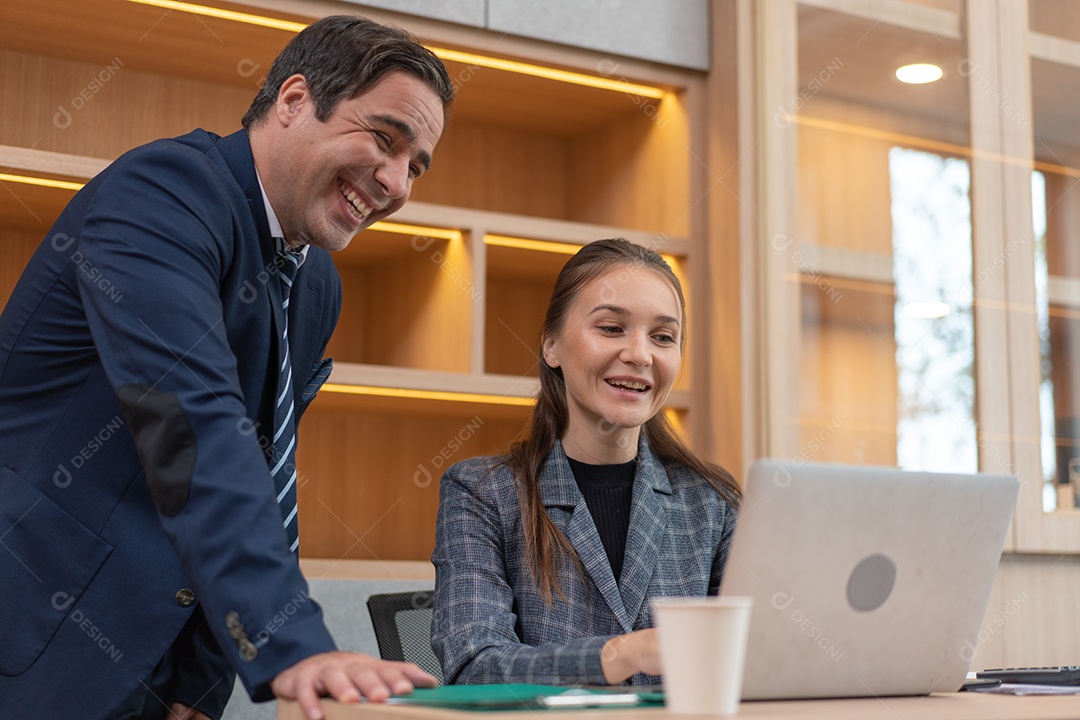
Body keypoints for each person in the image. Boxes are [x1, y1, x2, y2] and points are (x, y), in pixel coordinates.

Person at [0, 15, 453, 720]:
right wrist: (294, 646)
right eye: (385, 139)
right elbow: (189, 423)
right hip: (36, 641)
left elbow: (264, 467)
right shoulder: (160, 194)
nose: (395, 183)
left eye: (415, 165)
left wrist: (202, 680)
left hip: (158, 665)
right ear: (295, 100)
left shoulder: (317, 281)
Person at [431, 238, 741, 685]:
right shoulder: (481, 492)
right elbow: (475, 666)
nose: (639, 354)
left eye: (663, 337)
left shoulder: (711, 502)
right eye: (612, 328)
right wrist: (620, 654)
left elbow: (753, 661)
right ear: (552, 347)